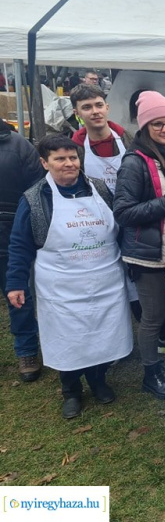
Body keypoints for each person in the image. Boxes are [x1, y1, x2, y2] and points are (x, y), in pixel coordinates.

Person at [6, 135, 132, 418]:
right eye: (59, 159)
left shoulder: (99, 189)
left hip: (105, 282)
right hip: (61, 288)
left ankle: (99, 381)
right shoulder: (35, 199)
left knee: (104, 335)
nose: (68, 164)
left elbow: (120, 229)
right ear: (44, 163)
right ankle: (71, 390)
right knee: (68, 338)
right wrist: (15, 282)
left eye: (72, 157)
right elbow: (20, 244)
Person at [114, 91, 165, 399]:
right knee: (153, 315)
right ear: (145, 128)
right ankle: (151, 373)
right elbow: (123, 212)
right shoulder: (135, 162)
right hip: (148, 255)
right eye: (157, 124)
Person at [0, 119, 44, 382]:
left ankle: (26, 350)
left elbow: (35, 188)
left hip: (8, 230)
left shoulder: (18, 145)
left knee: (16, 292)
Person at [70, 84, 133, 194]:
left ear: (107, 108)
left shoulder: (128, 140)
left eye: (99, 105)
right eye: (87, 107)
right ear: (77, 113)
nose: (95, 111)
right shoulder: (74, 148)